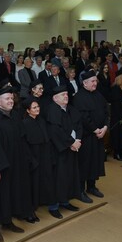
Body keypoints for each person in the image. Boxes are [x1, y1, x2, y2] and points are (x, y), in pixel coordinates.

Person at [0, 87, 33, 242]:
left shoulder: (15, 116)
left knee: (12, 193)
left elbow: (22, 139)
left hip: (16, 163)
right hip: (0, 166)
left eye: (12, 99)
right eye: (7, 99)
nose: (11, 101)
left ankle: (8, 221)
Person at [45, 85, 83, 219]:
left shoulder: (71, 109)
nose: (66, 96)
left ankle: (65, 201)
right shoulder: (52, 111)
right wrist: (71, 143)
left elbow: (79, 125)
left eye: (67, 94)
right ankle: (54, 206)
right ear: (55, 98)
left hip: (72, 149)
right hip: (58, 151)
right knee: (57, 178)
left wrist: (78, 139)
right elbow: (55, 131)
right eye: (63, 95)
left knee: (69, 176)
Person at [73, 71, 108, 202]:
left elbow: (106, 112)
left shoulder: (98, 95)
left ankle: (92, 186)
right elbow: (83, 117)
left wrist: (104, 127)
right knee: (85, 162)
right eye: (92, 81)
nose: (95, 83)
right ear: (85, 83)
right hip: (87, 136)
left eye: (95, 81)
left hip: (98, 135)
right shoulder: (79, 97)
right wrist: (95, 129)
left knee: (96, 161)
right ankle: (81, 190)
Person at [21, 97, 51, 222]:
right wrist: (32, 160)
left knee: (40, 183)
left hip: (43, 156)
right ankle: (29, 211)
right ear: (28, 110)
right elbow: (24, 144)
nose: (37, 109)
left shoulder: (41, 120)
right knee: (31, 186)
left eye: (38, 107)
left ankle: (36, 206)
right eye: (34, 107)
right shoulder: (25, 123)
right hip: (32, 159)